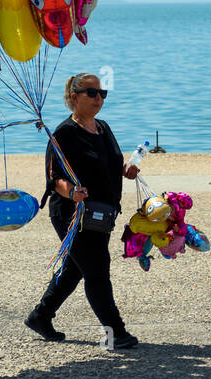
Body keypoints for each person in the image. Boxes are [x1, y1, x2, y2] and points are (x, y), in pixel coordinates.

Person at [24, 73, 141, 348]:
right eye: (92, 93)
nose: (98, 98)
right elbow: (55, 178)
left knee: (77, 269)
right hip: (71, 215)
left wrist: (127, 171)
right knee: (97, 270)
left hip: (101, 216)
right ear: (74, 97)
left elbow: (111, 163)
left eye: (102, 93)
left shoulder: (103, 127)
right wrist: (72, 193)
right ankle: (116, 334)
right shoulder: (64, 133)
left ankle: (40, 316)